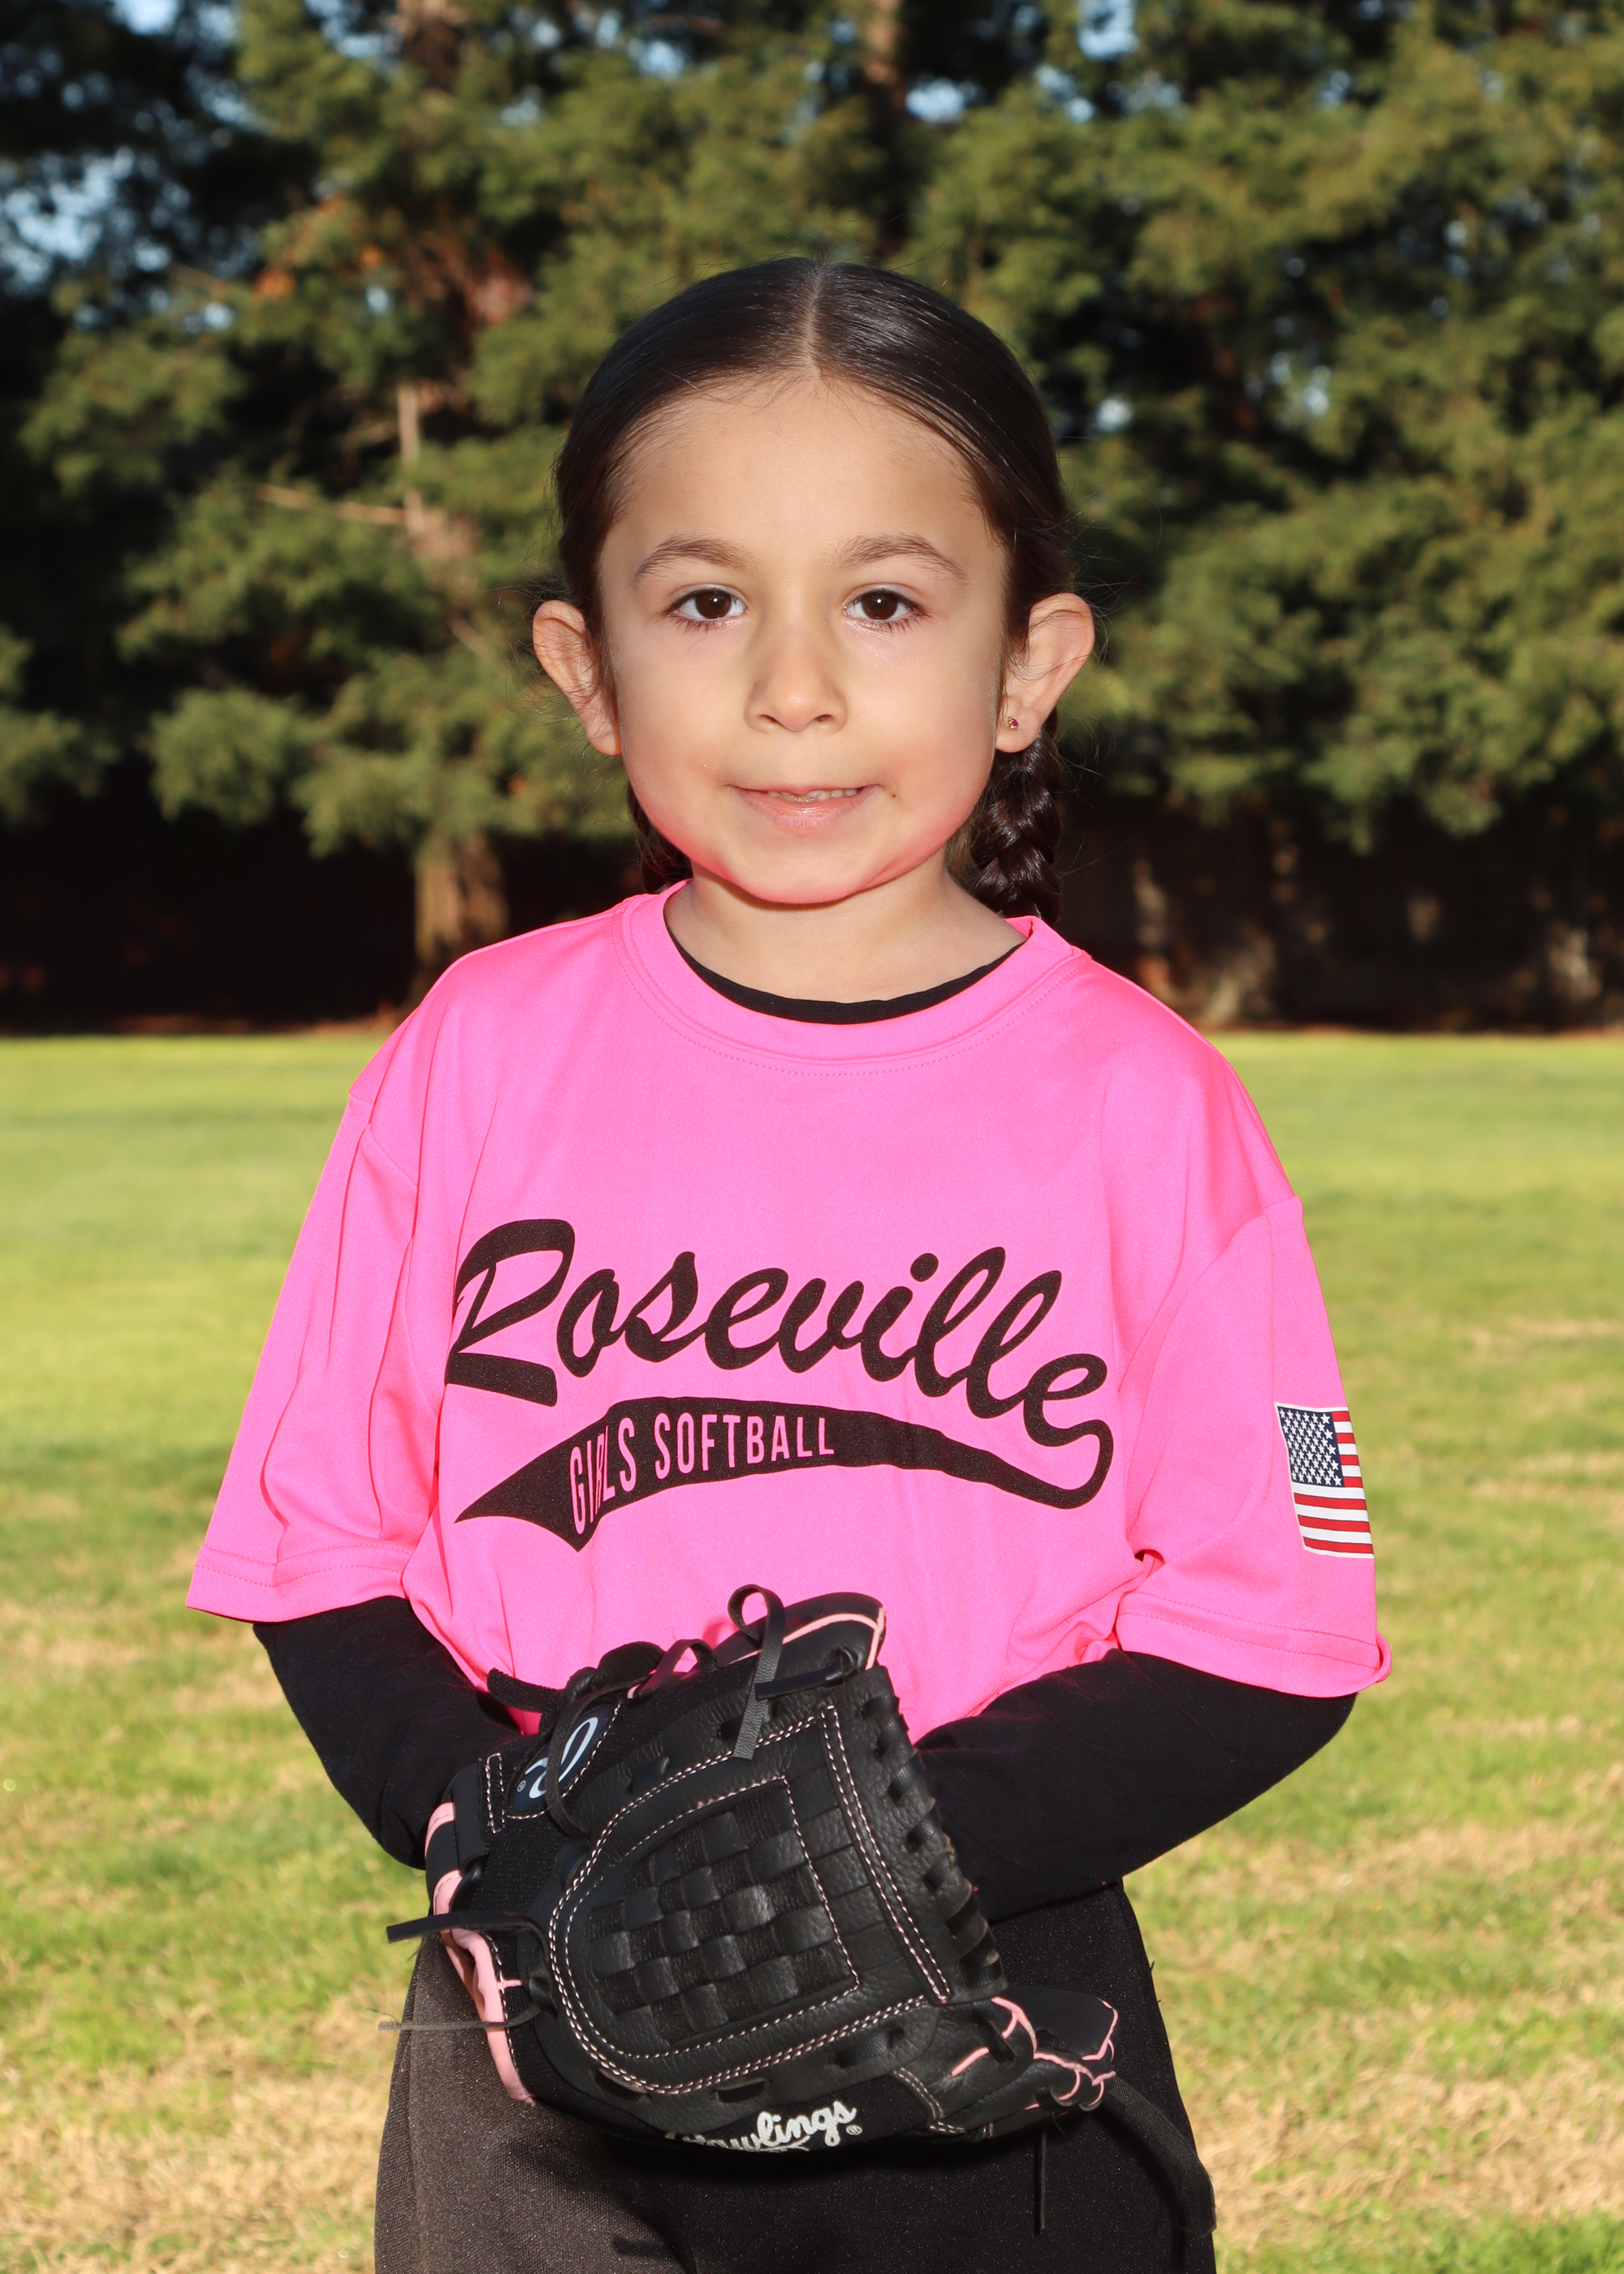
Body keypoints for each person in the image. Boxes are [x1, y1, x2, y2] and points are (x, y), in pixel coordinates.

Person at [186, 259, 1387, 2274]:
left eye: (886, 603)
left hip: (973, 1995)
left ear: (1029, 662)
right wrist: (503, 1836)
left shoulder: (1146, 1102)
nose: (794, 687)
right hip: (531, 2015)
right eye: (705, 603)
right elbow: (318, 1541)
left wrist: (855, 1854)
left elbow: (1276, 1622)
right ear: (586, 667)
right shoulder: (479, 1049)